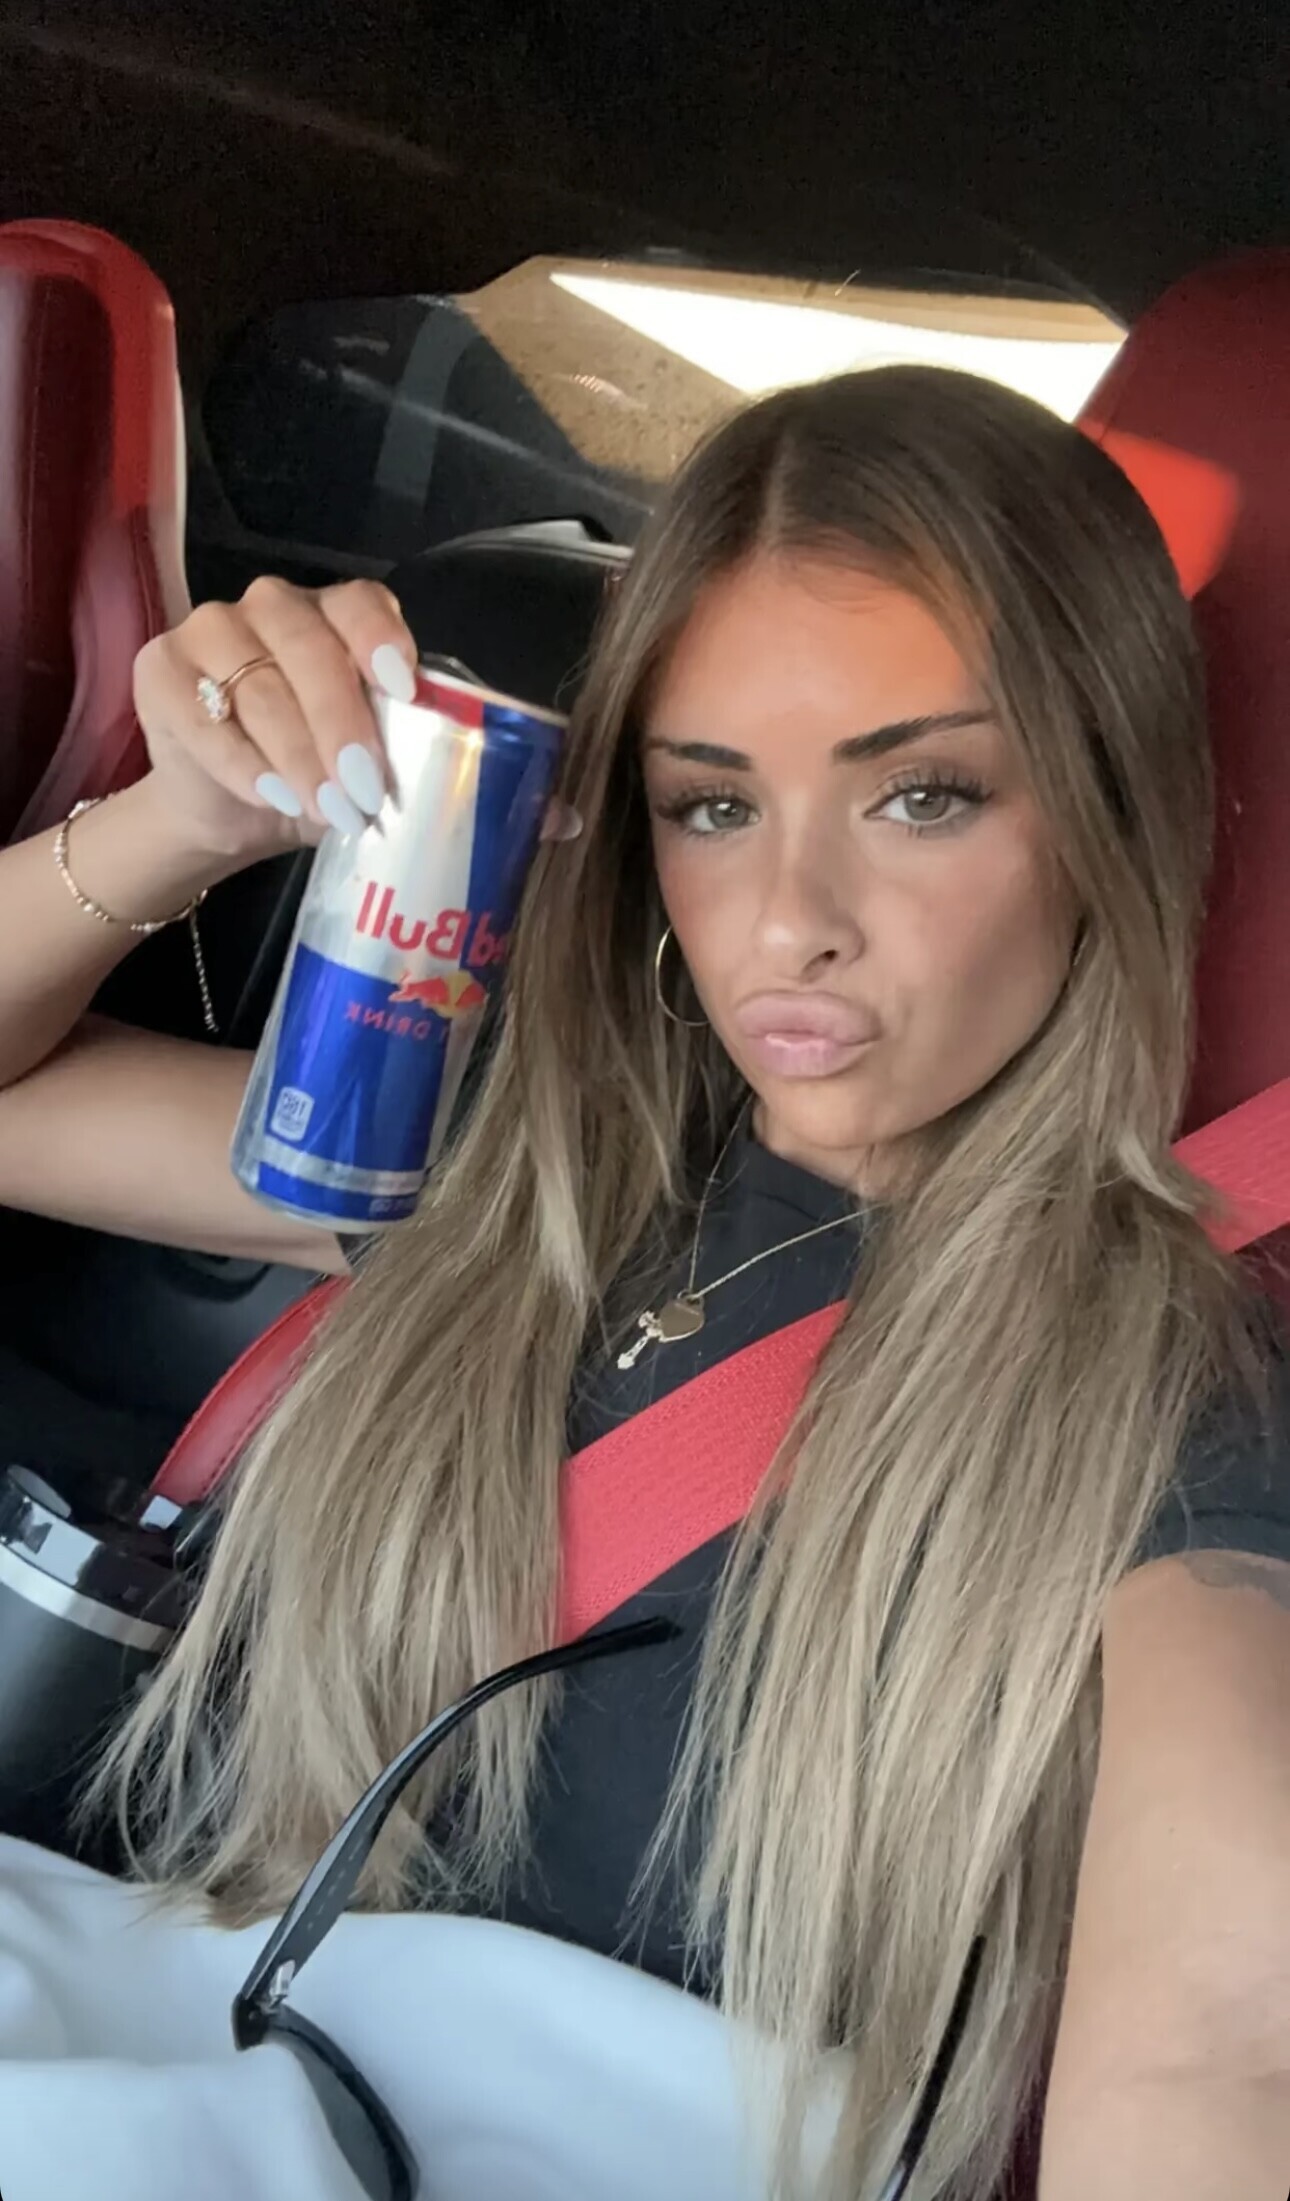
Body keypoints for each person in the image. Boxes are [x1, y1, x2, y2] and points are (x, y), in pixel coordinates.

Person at [0, 364, 1288, 2201]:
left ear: (1105, 813)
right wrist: (184, 824)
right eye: (711, 805)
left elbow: (1217, 2046)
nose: (788, 921)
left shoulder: (1170, 1398)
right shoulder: (527, 1172)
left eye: (921, 796)